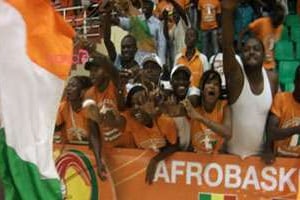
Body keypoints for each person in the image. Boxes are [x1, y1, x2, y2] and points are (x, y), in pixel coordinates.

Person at [221, 0, 278, 159]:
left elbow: (272, 119)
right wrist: (226, 13)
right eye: (246, 49)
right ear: (241, 54)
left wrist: (269, 147)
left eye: (256, 49)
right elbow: (227, 46)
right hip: (231, 159)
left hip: (258, 162)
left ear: (263, 53)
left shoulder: (272, 79)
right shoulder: (236, 76)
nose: (251, 52)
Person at [123, 84, 178, 184]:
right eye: (133, 104)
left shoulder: (166, 122)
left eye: (141, 102)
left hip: (167, 174)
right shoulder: (130, 123)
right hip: (140, 173)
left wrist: (155, 160)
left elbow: (174, 146)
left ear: (150, 102)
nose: (136, 107)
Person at [83, 54, 127, 180]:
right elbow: (93, 129)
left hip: (130, 148)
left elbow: (114, 72)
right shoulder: (89, 94)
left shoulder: (116, 85)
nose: (92, 74)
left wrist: (92, 50)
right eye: (90, 70)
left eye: (96, 70)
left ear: (107, 72)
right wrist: (98, 159)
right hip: (110, 151)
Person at [183, 70, 231, 154]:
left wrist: (200, 118)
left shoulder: (224, 106)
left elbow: (227, 132)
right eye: (208, 83)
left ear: (219, 91)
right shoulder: (193, 104)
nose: (212, 86)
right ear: (202, 88)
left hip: (218, 160)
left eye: (216, 84)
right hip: (196, 159)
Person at [265, 66, 300, 162]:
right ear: (295, 82)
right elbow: (271, 133)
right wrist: (296, 129)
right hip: (279, 162)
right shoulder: (281, 99)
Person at [240, 3, 285, 70]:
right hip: (259, 65)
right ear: (272, 17)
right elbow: (243, 32)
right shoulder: (262, 22)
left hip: (271, 65)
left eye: (279, 22)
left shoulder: (281, 28)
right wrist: (240, 47)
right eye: (276, 22)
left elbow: (273, 46)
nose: (277, 25)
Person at [55, 76, 92, 144]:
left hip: (89, 150)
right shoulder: (63, 107)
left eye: (73, 86)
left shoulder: (91, 108)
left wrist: (87, 137)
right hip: (68, 150)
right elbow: (52, 129)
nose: (68, 88)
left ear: (83, 91)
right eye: (68, 85)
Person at [162, 0, 189, 67]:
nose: (174, 15)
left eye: (176, 13)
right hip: (177, 58)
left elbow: (182, 12)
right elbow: (167, 36)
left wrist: (172, 1)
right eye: (173, 14)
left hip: (186, 56)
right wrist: (165, 20)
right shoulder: (174, 27)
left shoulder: (184, 22)